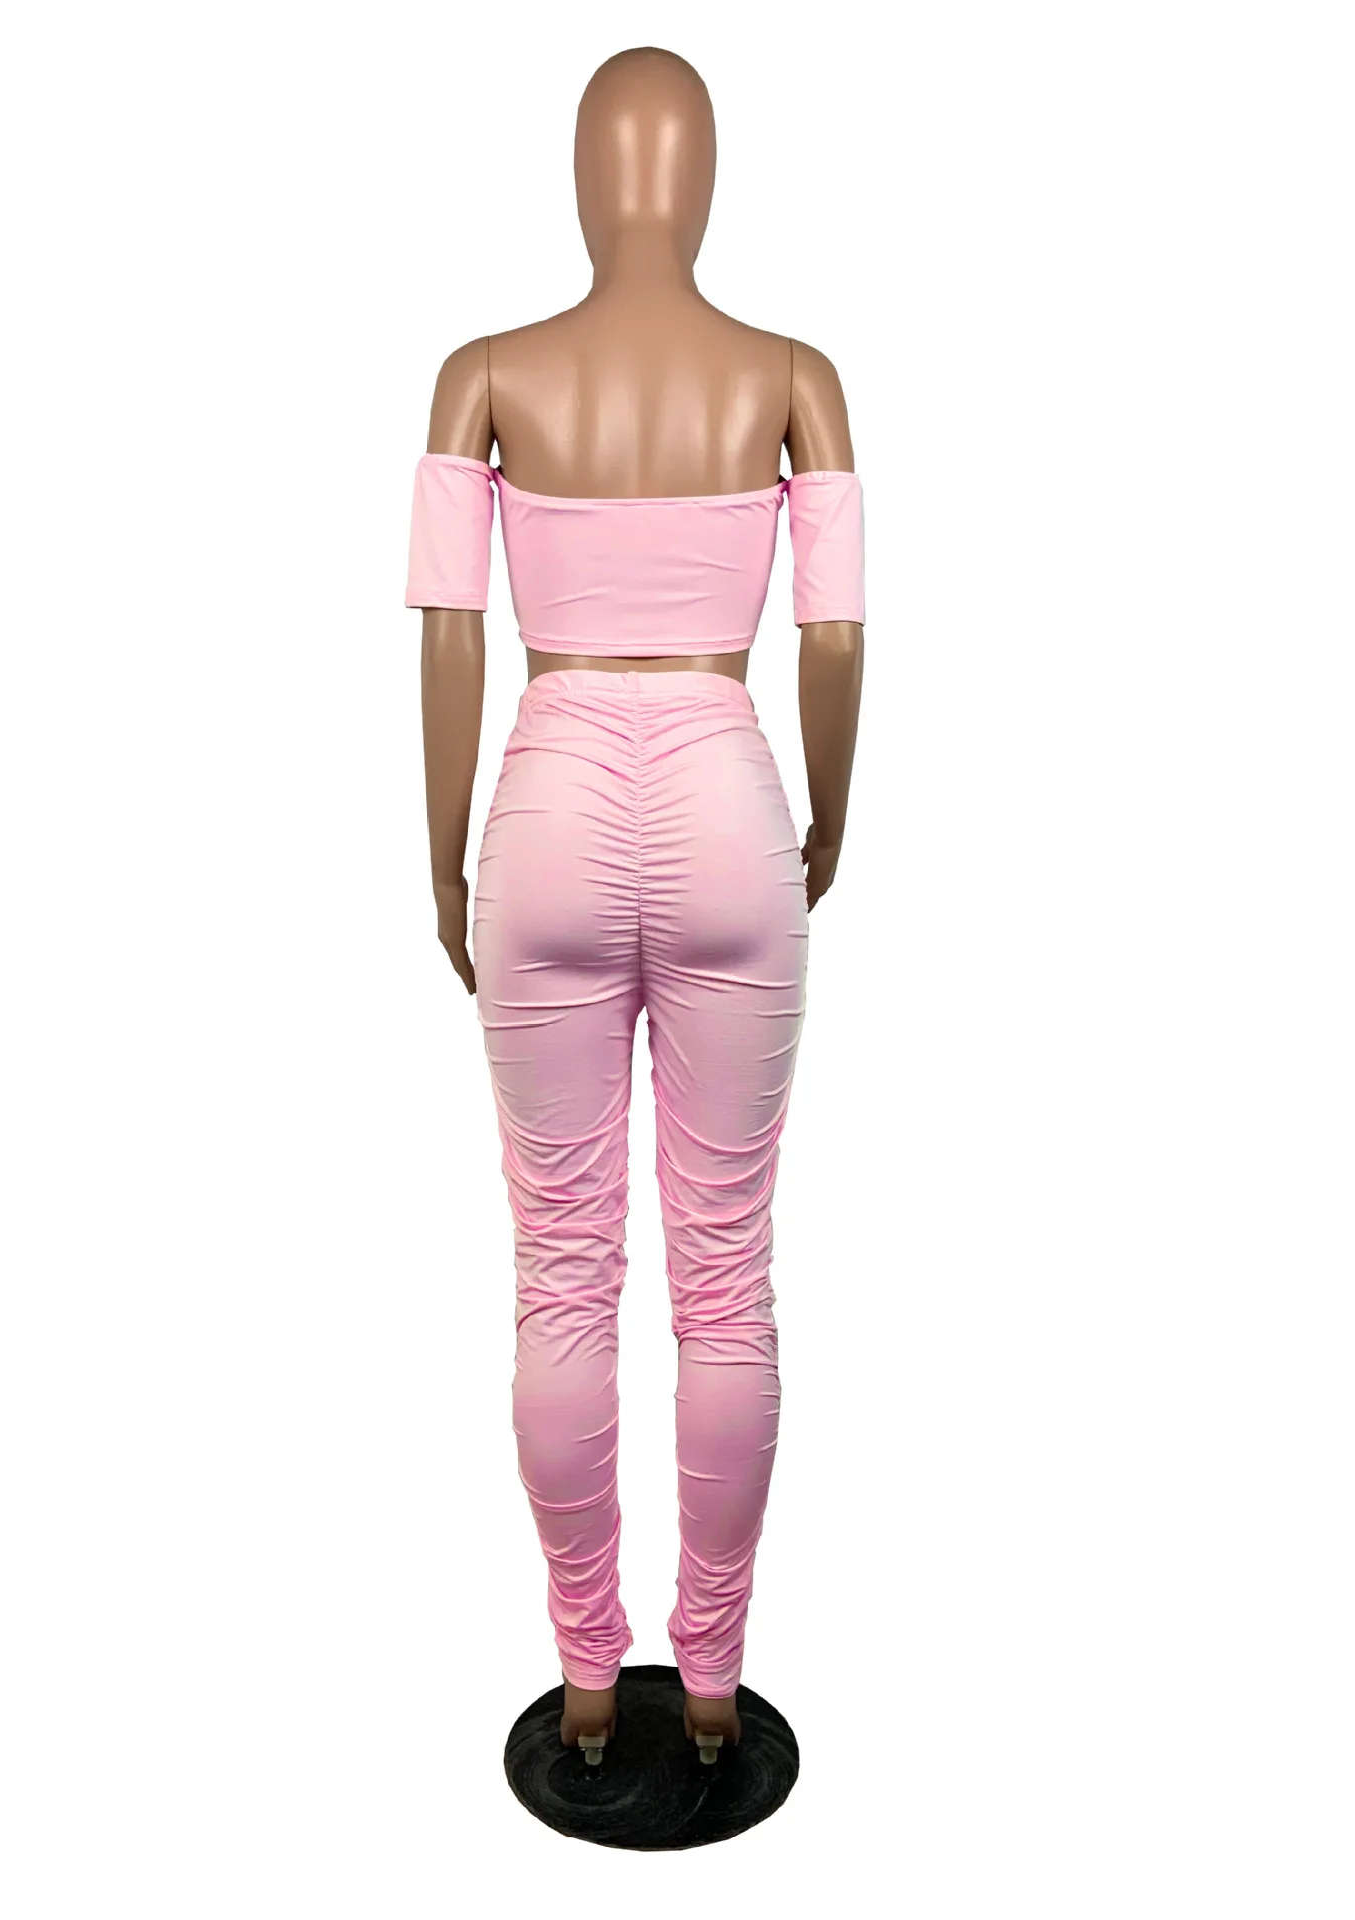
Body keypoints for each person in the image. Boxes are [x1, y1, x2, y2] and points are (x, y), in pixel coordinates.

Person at [406, 47, 864, 1767]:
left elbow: (447, 632)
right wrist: (833, 816)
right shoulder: (795, 376)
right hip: (733, 793)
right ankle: (718, 1683)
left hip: (546, 804)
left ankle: (592, 1681)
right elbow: (836, 634)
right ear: (701, 179)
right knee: (727, 1279)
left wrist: (440, 852)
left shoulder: (485, 374)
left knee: (561, 1275)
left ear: (589, 180)